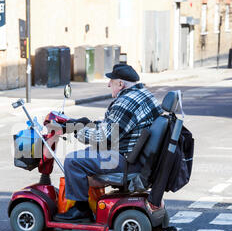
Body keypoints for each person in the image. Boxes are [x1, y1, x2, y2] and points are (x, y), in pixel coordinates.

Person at [54, 64, 163, 221]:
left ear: (120, 83)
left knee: (72, 161)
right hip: (138, 157)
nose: (108, 84)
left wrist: (75, 130)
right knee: (84, 156)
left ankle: (81, 210)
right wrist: (86, 123)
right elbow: (115, 127)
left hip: (125, 160)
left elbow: (104, 139)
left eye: (111, 81)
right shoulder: (143, 94)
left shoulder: (125, 102)